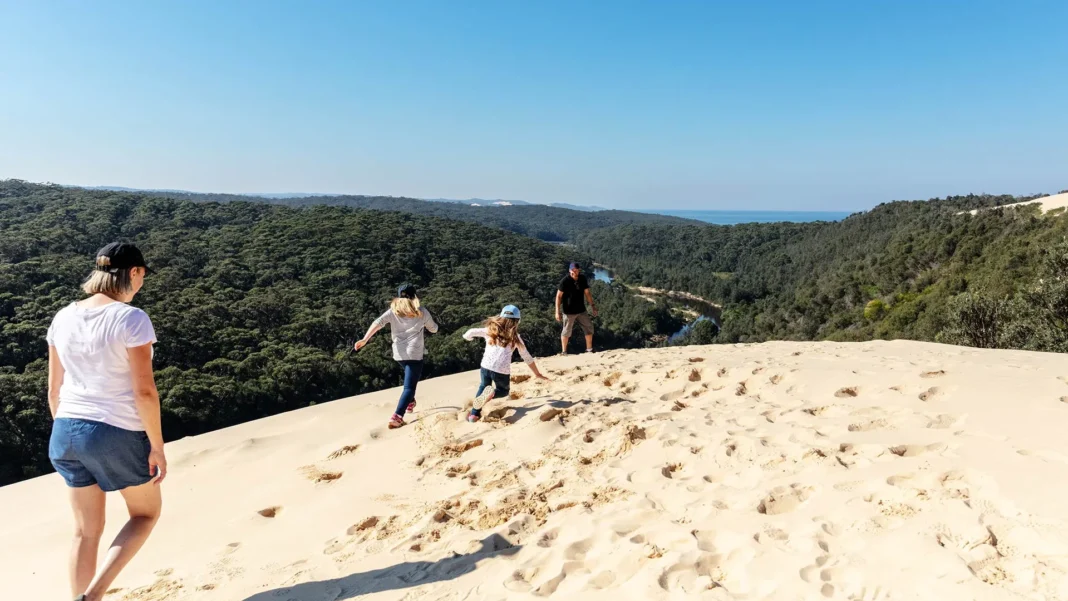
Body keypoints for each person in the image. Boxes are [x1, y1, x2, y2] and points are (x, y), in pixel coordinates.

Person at [46, 242, 165, 601]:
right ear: (132, 273)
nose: (142, 282)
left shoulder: (62, 316)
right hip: (113, 430)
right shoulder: (131, 318)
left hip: (64, 429)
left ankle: (78, 597)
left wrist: (71, 436)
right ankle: (92, 597)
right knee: (145, 514)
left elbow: (54, 390)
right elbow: (144, 392)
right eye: (142, 275)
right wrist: (157, 447)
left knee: (85, 531)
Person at [353, 283, 439, 429]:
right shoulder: (422, 311)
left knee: (409, 379)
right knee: (409, 387)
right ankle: (397, 416)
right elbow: (434, 329)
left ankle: (410, 402)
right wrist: (430, 326)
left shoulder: (393, 311)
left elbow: (378, 322)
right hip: (415, 354)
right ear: (415, 296)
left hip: (399, 355)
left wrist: (365, 339)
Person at [462, 305, 550, 422]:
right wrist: (537, 373)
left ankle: (474, 415)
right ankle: (492, 393)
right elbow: (527, 357)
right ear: (517, 321)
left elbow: (470, 332)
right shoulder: (516, 338)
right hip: (501, 370)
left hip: (485, 366)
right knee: (503, 391)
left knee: (483, 386)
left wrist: (468, 338)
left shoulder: (489, 330)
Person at [555, 261, 597, 354]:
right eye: (573, 270)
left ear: (579, 270)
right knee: (566, 331)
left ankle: (589, 349)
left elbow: (587, 293)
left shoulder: (582, 279)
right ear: (569, 270)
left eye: (576, 270)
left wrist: (593, 306)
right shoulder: (565, 281)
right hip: (569, 311)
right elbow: (558, 296)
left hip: (581, 310)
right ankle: (564, 352)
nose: (575, 271)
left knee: (589, 327)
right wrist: (557, 312)